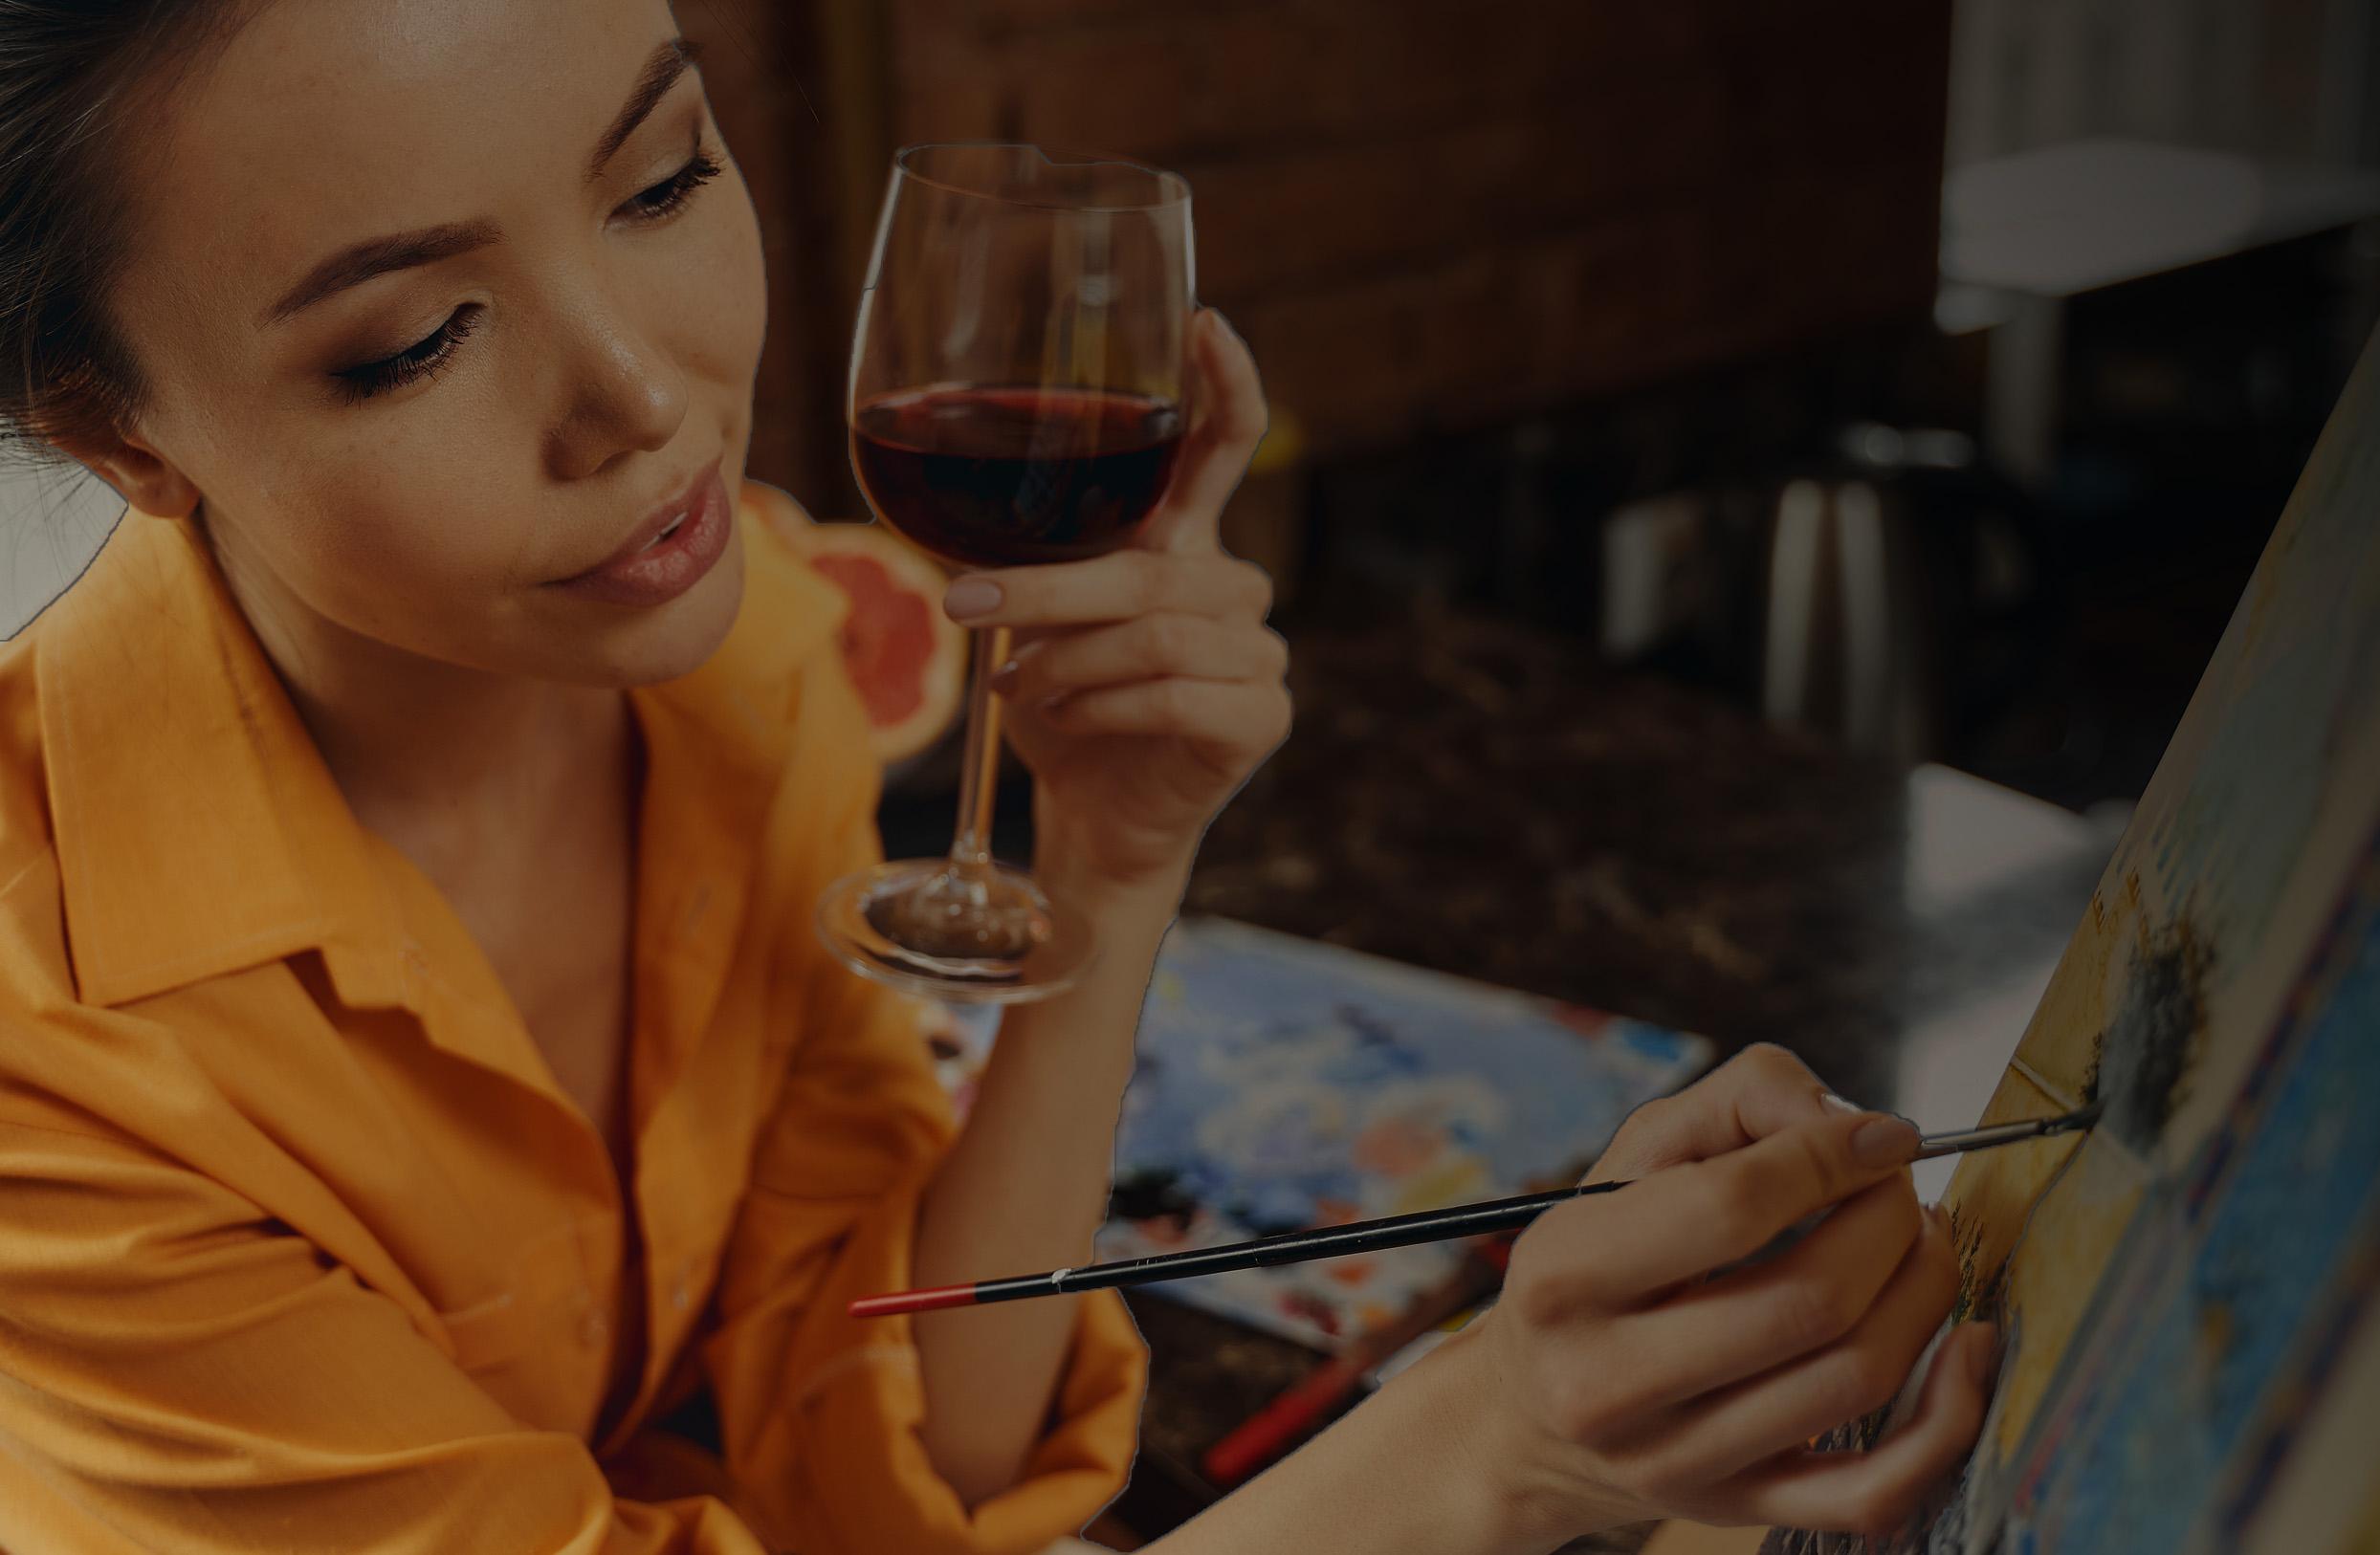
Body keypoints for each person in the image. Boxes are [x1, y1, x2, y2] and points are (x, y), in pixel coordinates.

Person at [0, 4, 1999, 1551]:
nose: (650, 397)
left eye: (664, 178)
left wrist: (1114, 869)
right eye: (420, 337)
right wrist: (1502, 1446)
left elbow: (893, 1440)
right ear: (117, 429)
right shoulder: (45, 1060)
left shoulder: (745, 644)